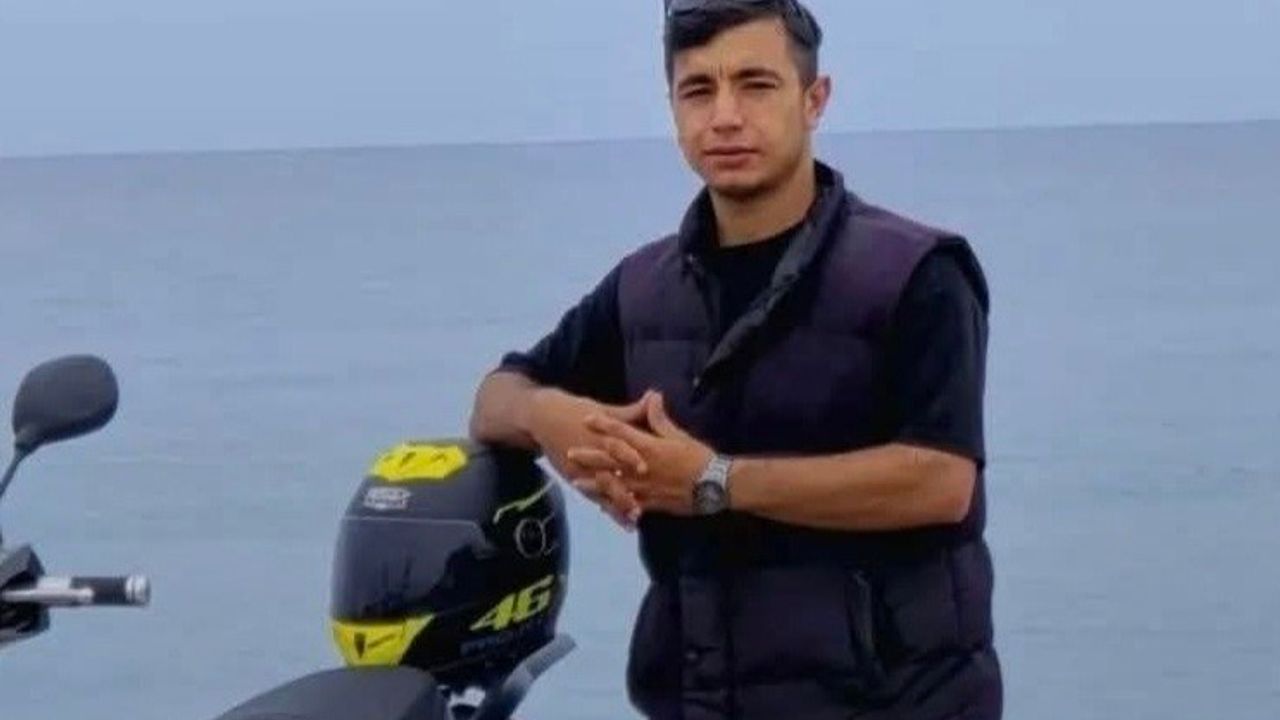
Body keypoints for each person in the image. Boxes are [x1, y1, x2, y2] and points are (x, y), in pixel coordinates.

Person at [468, 1, 1001, 718]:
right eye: (699, 90)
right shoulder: (644, 287)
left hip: (896, 702)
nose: (724, 117)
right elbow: (494, 399)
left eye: (755, 85)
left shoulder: (917, 273)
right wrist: (552, 418)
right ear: (673, 108)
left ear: (814, 100)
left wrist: (712, 482)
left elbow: (941, 482)